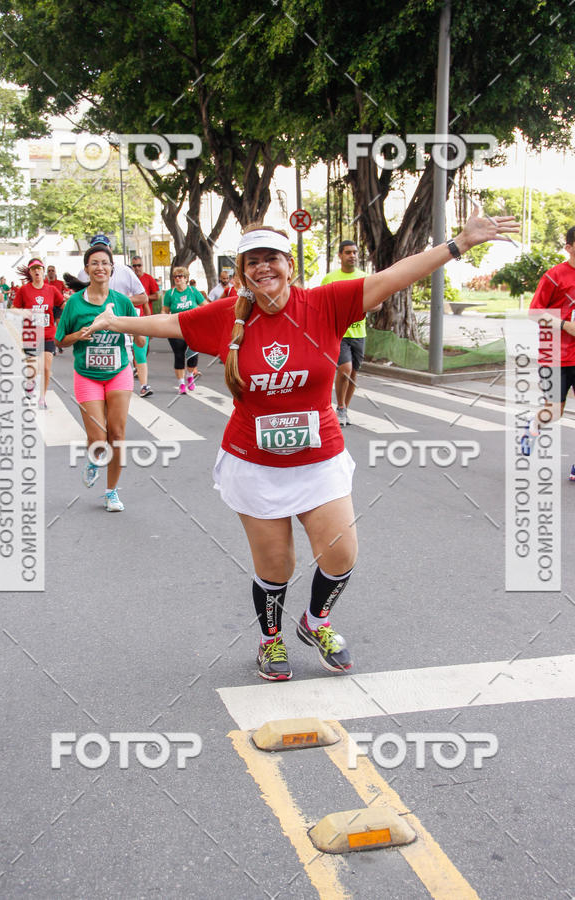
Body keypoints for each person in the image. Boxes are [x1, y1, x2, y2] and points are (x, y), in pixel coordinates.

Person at [81, 208, 518, 679]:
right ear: (244, 272)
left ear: (290, 264)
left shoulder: (327, 304)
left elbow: (393, 276)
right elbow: (171, 324)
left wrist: (460, 243)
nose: (263, 267)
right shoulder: (228, 316)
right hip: (254, 463)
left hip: (319, 457)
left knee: (341, 554)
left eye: (272, 258)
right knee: (277, 567)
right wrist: (115, 323)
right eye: (253, 261)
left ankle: (316, 620)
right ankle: (270, 641)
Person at [57, 245, 145, 512]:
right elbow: (60, 339)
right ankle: (95, 459)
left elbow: (140, 336)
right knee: (98, 439)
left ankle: (111, 493)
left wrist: (136, 333)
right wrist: (80, 334)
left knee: (117, 435)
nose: (100, 267)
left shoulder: (121, 302)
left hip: (118, 372)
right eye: (94, 263)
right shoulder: (74, 303)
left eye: (105, 263)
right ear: (86, 269)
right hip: (87, 375)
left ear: (111, 268)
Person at [525, 225, 575, 479]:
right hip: (555, 355)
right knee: (554, 411)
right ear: (569, 247)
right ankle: (534, 425)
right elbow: (534, 312)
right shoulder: (555, 276)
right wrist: (567, 326)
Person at [321, 240, 367, 427]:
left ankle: (344, 409)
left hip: (359, 332)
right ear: (340, 255)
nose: (352, 256)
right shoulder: (330, 278)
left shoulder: (364, 277)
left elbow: (376, 299)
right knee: (345, 368)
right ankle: (340, 407)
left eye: (355, 252)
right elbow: (321, 306)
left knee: (354, 373)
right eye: (348, 252)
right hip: (338, 333)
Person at [12, 259, 64, 409]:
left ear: (43, 271)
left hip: (48, 333)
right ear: (30, 272)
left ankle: (42, 397)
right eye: (33, 269)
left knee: (46, 368)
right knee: (32, 367)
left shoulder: (51, 290)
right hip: (31, 333)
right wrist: (24, 312)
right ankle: (30, 382)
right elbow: (14, 308)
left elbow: (62, 305)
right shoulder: (24, 290)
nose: (36, 271)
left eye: (39, 269)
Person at [161, 265, 207, 393]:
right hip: (176, 328)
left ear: (186, 278)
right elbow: (165, 310)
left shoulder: (193, 291)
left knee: (193, 354)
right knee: (179, 354)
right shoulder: (170, 294)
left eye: (180, 276)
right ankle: (181, 384)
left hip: (193, 328)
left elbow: (205, 306)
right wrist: (164, 319)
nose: (177, 279)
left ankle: (190, 375)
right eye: (175, 276)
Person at [130, 255, 159, 397]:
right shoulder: (116, 286)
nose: (136, 269)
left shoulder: (144, 282)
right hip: (121, 324)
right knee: (128, 353)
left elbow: (148, 302)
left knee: (141, 350)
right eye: (133, 266)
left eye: (138, 266)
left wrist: (149, 323)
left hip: (139, 322)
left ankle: (143, 386)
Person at [46, 265, 66, 353]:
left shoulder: (60, 283)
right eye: (49, 271)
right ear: (47, 273)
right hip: (48, 307)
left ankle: (59, 343)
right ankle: (52, 346)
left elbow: (66, 292)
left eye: (52, 270)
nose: (51, 272)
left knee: (59, 325)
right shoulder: (44, 283)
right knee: (49, 327)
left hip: (58, 307)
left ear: (55, 272)